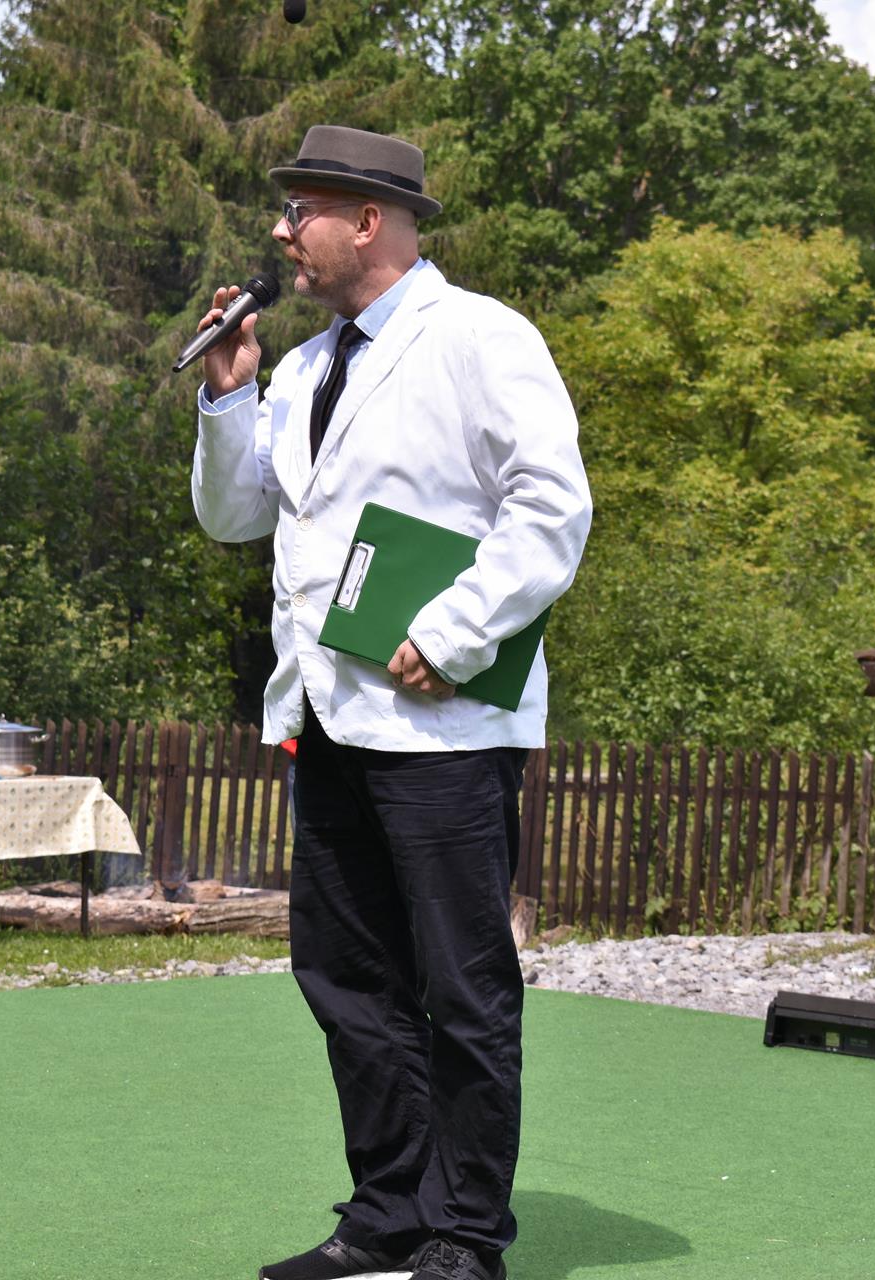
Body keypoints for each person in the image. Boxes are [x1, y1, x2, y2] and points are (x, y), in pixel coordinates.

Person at [191, 126, 592, 1280]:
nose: (280, 231)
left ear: (368, 220)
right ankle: (389, 1210)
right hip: (327, 714)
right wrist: (228, 396)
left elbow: (552, 506)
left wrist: (455, 630)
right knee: (347, 976)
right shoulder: (306, 367)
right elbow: (235, 516)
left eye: (299, 210)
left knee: (462, 982)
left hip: (444, 724)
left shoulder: (480, 337)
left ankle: (464, 1230)